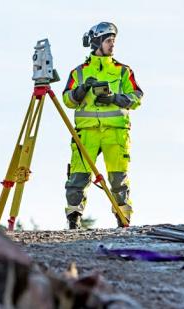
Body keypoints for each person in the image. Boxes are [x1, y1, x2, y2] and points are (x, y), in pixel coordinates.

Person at [62, 22, 143, 229]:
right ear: (97, 42)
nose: (112, 44)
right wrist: (80, 91)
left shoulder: (123, 71)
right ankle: (74, 219)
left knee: (119, 180)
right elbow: (67, 99)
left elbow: (137, 97)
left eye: (113, 40)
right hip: (86, 133)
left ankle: (123, 220)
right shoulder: (78, 72)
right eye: (108, 40)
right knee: (77, 178)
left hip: (115, 133)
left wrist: (115, 98)